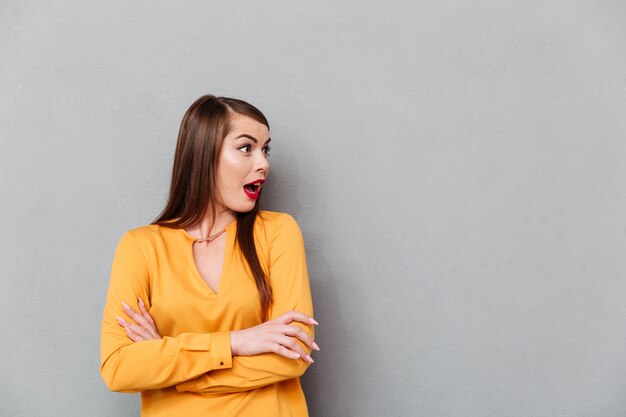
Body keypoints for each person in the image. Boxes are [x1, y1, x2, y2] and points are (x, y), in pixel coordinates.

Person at [99, 95, 318, 417]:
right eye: (246, 148)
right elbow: (119, 368)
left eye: (265, 149)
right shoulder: (141, 246)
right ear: (204, 154)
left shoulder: (278, 232)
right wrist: (237, 341)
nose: (263, 163)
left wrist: (172, 368)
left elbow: (293, 354)